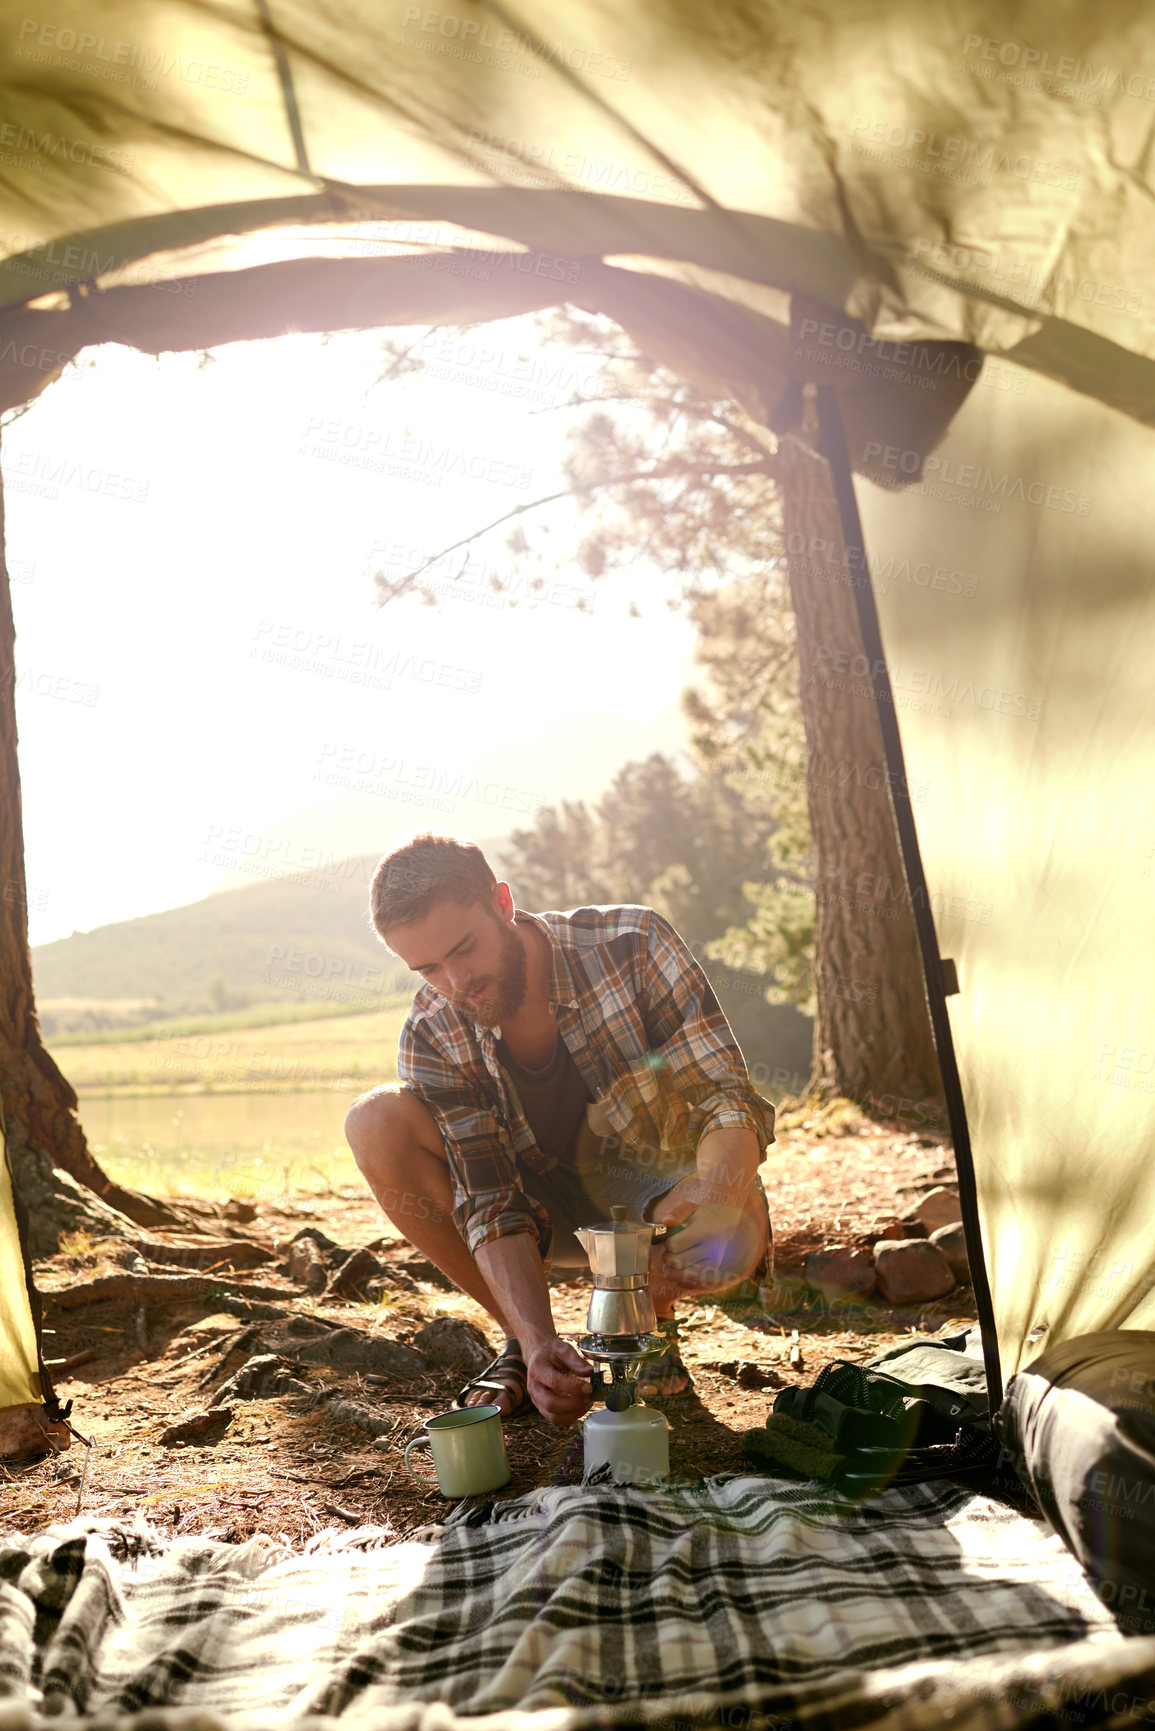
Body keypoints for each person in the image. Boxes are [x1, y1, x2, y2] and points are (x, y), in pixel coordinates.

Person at [345, 833, 775, 1426]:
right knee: (374, 1121)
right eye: (428, 968)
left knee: (739, 1218)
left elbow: (725, 1097)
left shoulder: (634, 942)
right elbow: (491, 1204)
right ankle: (523, 1346)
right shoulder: (431, 1032)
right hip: (544, 1218)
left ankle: (650, 1318)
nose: (456, 980)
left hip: (656, 1201)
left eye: (464, 949)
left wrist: (716, 1197)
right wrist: (539, 1336)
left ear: (502, 902)